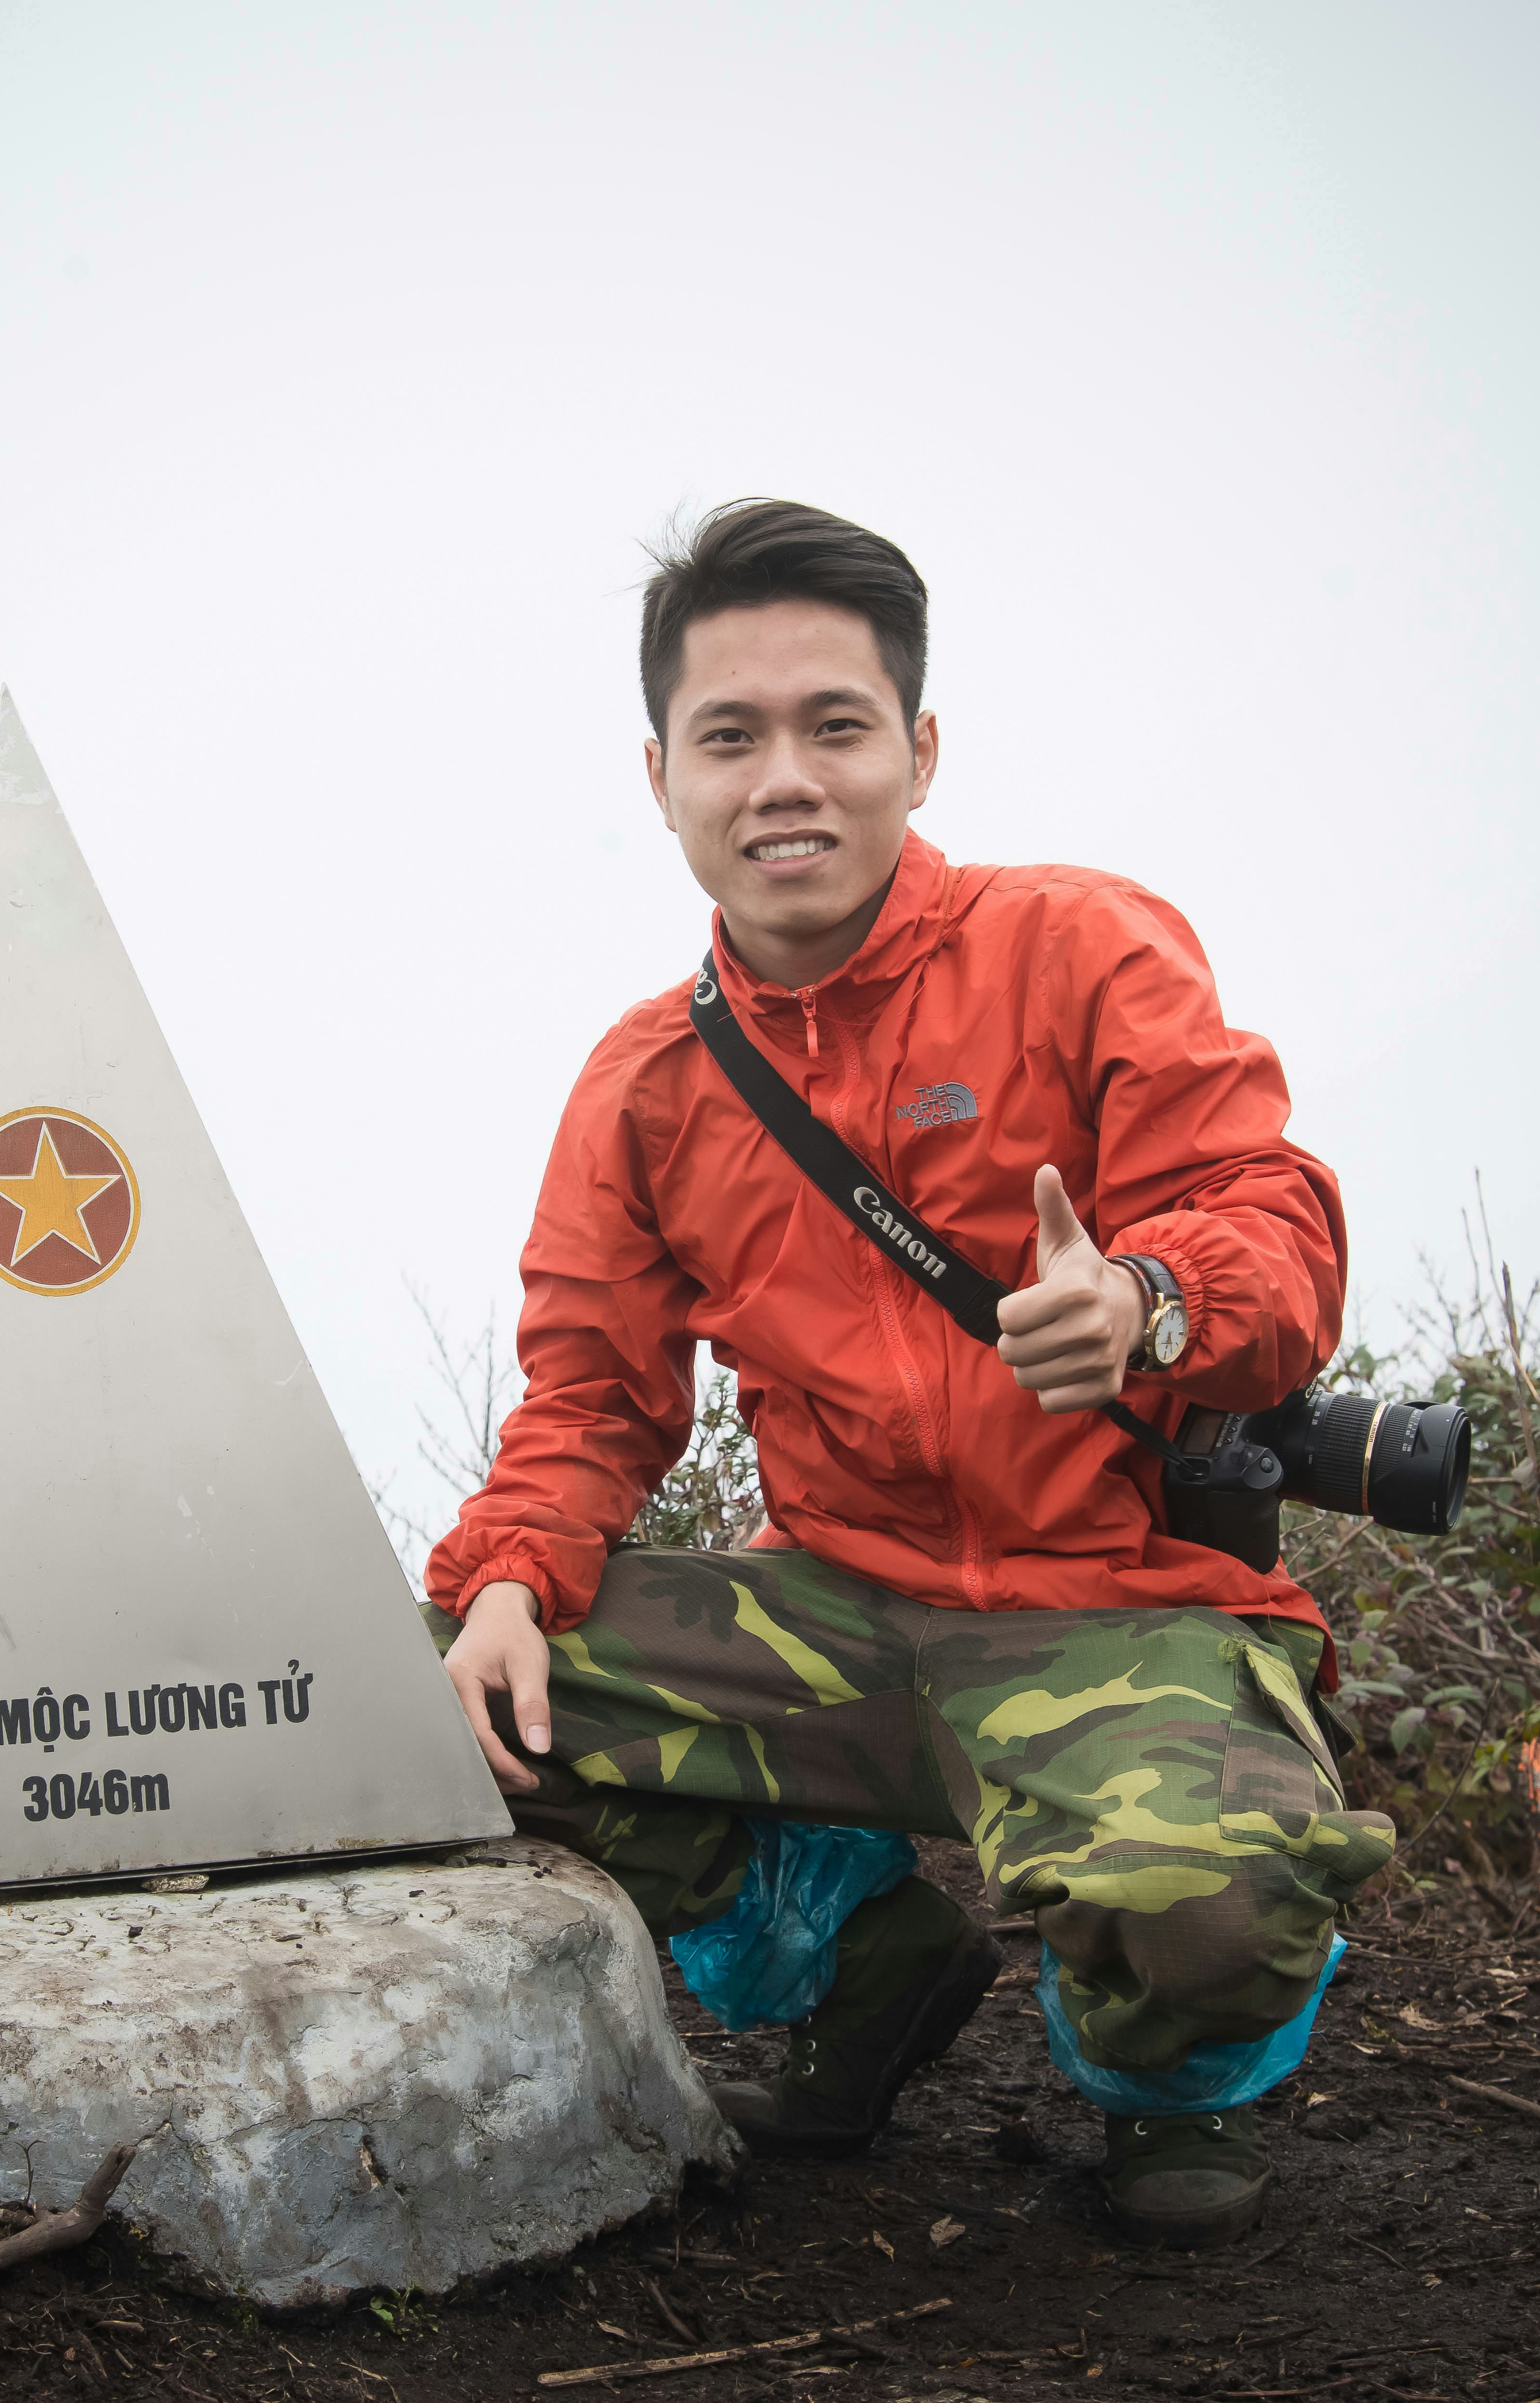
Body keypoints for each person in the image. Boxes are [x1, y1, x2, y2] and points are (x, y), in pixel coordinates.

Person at [424, 498, 1393, 2247]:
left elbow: (1278, 1223)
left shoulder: (1084, 947)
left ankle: (1168, 2081)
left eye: (834, 728)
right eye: (731, 737)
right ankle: (863, 1966)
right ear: (662, 777)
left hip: (1120, 1606)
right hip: (846, 1613)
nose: (782, 778)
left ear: (920, 753)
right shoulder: (645, 1086)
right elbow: (590, 1403)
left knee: (1203, 1906)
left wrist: (1153, 1301)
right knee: (456, 1685)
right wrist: (506, 1576)